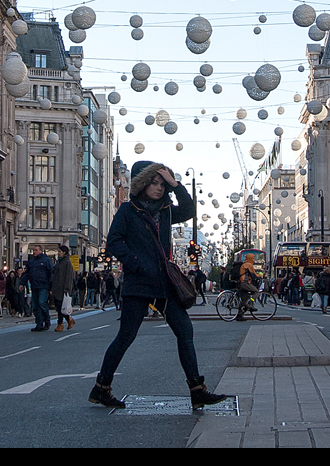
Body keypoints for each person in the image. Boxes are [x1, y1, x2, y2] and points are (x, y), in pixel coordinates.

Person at [89, 161, 227, 411]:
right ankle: (101, 388)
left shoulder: (166, 210)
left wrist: (176, 185)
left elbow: (189, 209)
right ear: (143, 184)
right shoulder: (128, 211)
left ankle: (197, 390)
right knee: (125, 337)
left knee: (185, 332)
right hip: (139, 283)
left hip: (164, 284)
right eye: (155, 183)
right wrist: (135, 263)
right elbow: (114, 241)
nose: (159, 188)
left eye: (162, 185)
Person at [19, 245, 54, 332]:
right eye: (33, 250)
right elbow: (26, 274)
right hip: (34, 286)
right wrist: (22, 283)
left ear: (40, 251)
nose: (34, 252)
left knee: (42, 303)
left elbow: (51, 273)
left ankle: (46, 320)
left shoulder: (46, 260)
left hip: (44, 286)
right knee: (35, 306)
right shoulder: (32, 262)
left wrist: (51, 287)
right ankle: (39, 323)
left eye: (36, 250)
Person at [52, 245, 76, 332]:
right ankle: (69, 320)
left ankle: (60, 323)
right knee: (59, 307)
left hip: (62, 288)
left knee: (61, 307)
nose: (58, 253)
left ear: (64, 252)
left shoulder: (67, 263)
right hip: (56, 287)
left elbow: (68, 277)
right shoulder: (59, 262)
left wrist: (67, 289)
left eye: (60, 252)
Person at [236, 253, 261, 320]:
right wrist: (260, 275)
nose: (254, 260)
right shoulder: (249, 265)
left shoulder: (245, 264)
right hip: (245, 283)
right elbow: (254, 275)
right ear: (250, 258)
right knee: (256, 292)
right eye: (253, 258)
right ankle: (251, 303)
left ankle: (240, 315)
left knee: (244, 300)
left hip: (241, 283)